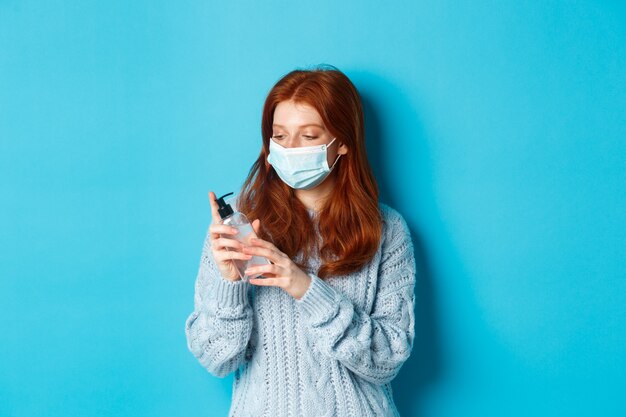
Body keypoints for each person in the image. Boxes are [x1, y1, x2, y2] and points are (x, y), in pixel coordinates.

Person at [185, 65, 416, 417]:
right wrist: (230, 284)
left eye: (308, 136)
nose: (290, 149)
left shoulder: (387, 230)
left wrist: (306, 288)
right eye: (279, 136)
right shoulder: (237, 229)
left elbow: (386, 360)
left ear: (343, 144)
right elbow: (217, 359)